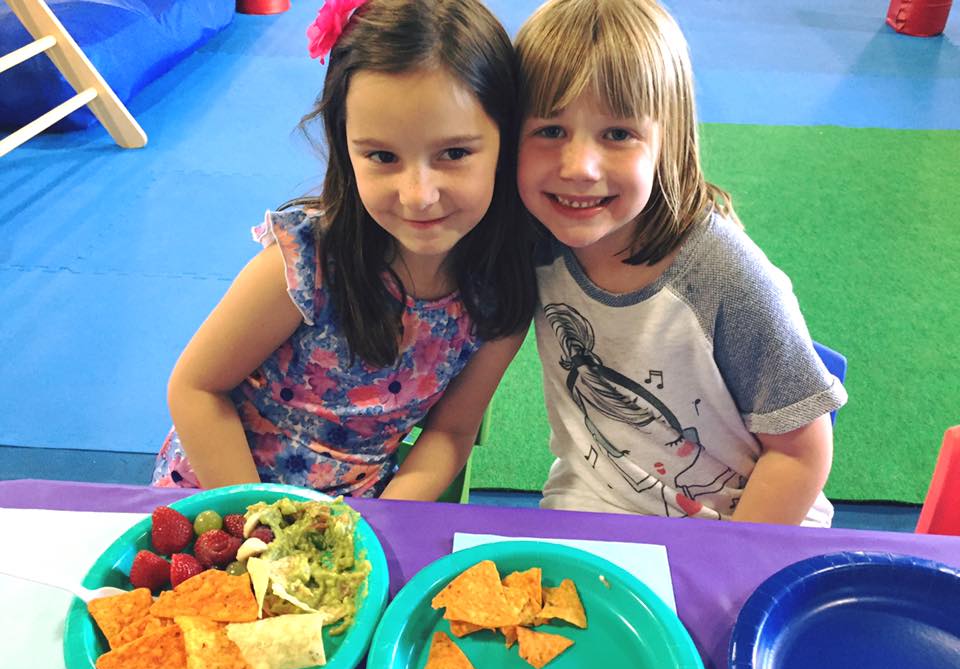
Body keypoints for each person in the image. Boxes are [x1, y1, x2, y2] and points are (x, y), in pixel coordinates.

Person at [152, 0, 535, 499]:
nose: (418, 194)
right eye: (382, 156)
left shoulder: (500, 291)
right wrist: (261, 532)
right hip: (225, 502)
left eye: (455, 153)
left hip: (352, 520)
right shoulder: (304, 265)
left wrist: (382, 524)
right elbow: (196, 390)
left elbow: (450, 432)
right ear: (344, 146)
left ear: (507, 141)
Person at [515, 0, 847, 525]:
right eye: (550, 130)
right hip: (595, 494)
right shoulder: (531, 244)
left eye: (617, 134)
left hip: (743, 517)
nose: (579, 167)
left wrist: (730, 553)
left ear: (665, 141)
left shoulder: (724, 273)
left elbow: (799, 452)